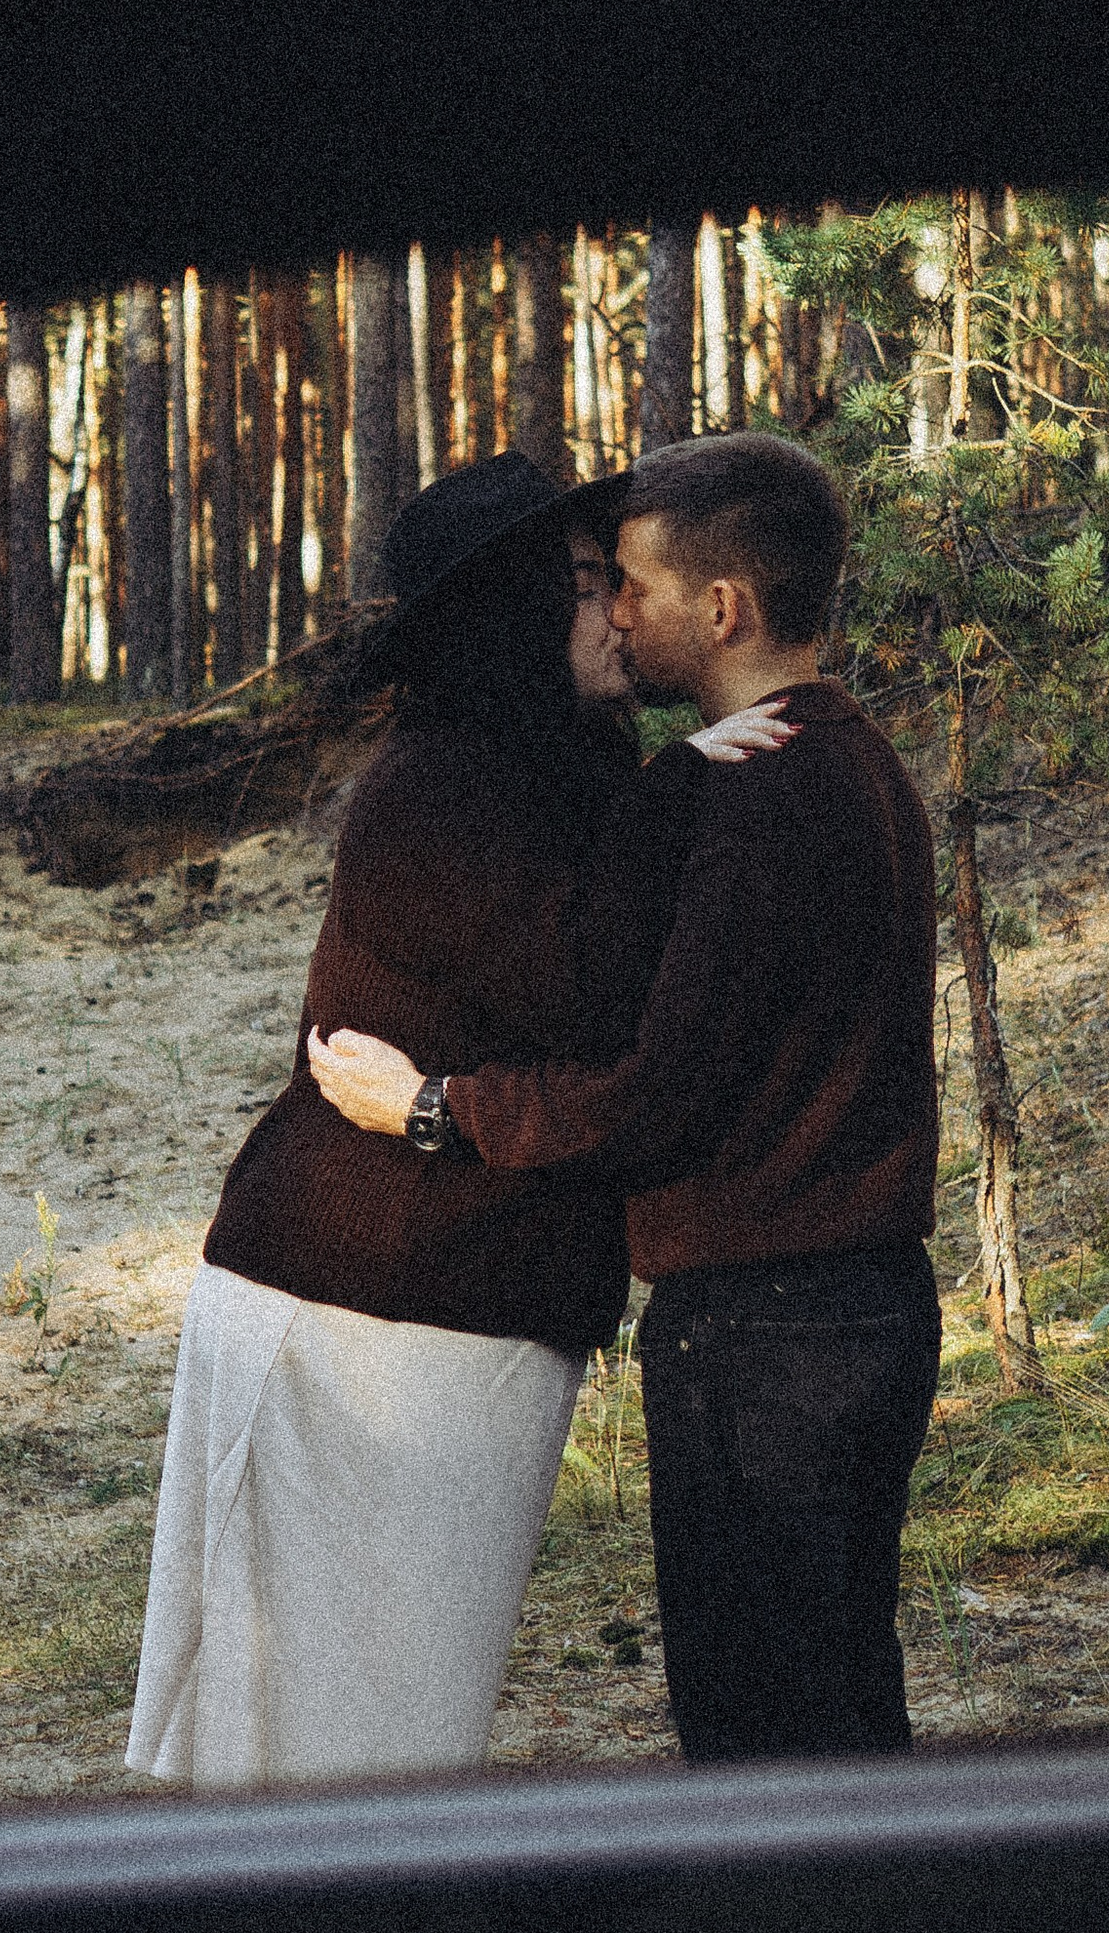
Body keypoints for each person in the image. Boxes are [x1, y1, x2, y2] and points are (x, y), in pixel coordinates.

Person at [125, 448, 788, 1790]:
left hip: (458, 1309)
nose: (618, 614)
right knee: (326, 1742)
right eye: (591, 584)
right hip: (357, 1316)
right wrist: (686, 787)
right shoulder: (434, 788)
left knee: (401, 1727)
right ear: (511, 614)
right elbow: (596, 986)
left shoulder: (552, 775)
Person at [311, 430, 943, 1765]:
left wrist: (434, 1109)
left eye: (635, 585)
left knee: (763, 1727)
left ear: (723, 609)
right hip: (857, 1309)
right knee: (836, 1700)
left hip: (768, 1334)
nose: (614, 610)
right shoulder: (840, 762)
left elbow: (651, 1098)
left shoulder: (764, 799)